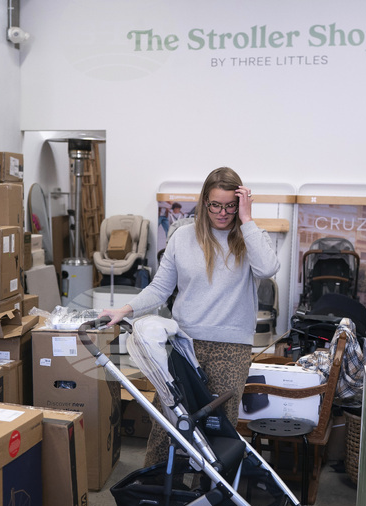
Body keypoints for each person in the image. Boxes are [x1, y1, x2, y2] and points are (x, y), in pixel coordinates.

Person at [102, 166, 280, 467]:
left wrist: (247, 219)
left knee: (219, 429)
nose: (222, 213)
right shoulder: (183, 237)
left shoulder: (251, 237)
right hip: (184, 345)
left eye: (230, 206)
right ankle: (159, 488)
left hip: (231, 349)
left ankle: (211, 492)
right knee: (168, 425)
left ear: (240, 203)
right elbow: (160, 288)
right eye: (215, 205)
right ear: (204, 202)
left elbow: (267, 269)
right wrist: (125, 309)